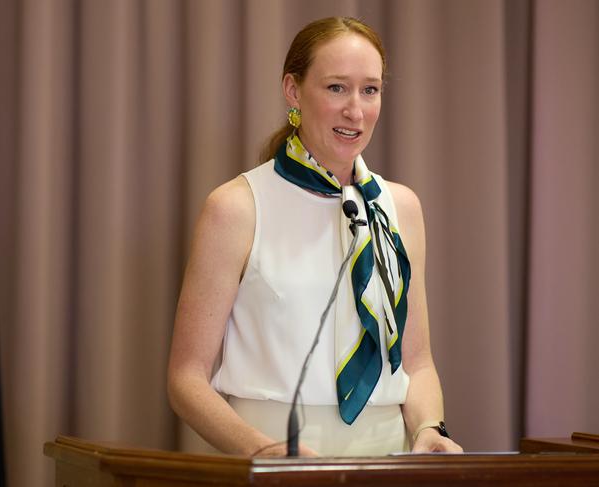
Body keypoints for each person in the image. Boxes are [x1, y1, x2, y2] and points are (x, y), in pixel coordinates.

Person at [167, 16, 463, 457]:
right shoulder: (236, 207)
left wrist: (427, 429)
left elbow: (417, 363)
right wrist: (263, 451)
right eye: (336, 88)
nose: (356, 111)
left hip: (388, 459)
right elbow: (186, 378)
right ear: (293, 90)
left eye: (370, 89)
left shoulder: (402, 207)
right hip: (269, 455)